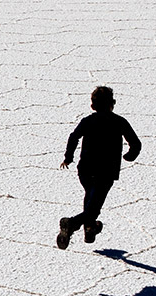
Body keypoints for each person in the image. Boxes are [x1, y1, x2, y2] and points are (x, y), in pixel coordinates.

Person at [56, 86, 141, 250]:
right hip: (106, 172)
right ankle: (71, 223)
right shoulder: (119, 121)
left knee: (91, 198)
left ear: (92, 105)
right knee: (94, 206)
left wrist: (68, 158)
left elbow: (73, 137)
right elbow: (136, 143)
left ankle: (90, 229)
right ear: (112, 104)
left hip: (85, 170)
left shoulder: (87, 121)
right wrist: (130, 156)